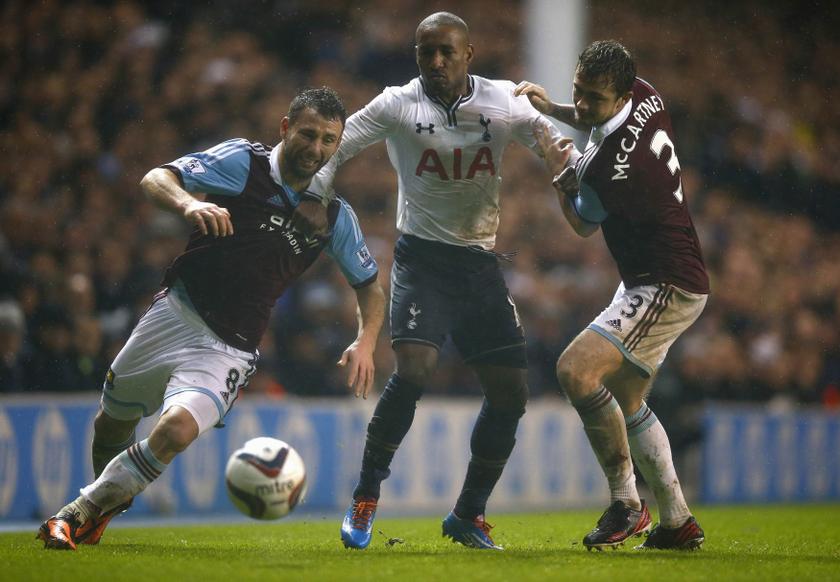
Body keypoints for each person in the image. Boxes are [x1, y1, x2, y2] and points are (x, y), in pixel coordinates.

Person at [37, 87, 386, 550]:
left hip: (230, 348)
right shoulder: (244, 163)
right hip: (175, 313)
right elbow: (156, 178)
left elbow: (370, 287)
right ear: (285, 128)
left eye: (328, 140)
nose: (316, 148)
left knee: (176, 428)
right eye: (308, 134)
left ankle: (75, 513)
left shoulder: (334, 217)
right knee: (112, 425)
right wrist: (189, 203)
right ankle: (102, 508)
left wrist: (365, 340)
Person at [296, 12, 576, 551]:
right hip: (422, 261)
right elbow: (339, 144)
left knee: (511, 393)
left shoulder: (502, 102)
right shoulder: (398, 103)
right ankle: (365, 498)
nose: (437, 62)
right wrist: (315, 193)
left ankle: (467, 514)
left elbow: (552, 145)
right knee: (416, 370)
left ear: (469, 54)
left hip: (478, 264)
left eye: (448, 51)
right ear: (416, 55)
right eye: (427, 52)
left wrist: (567, 165)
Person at [515, 40, 710, 550]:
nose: (581, 105)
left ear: (621, 92)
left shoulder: (606, 170)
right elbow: (601, 126)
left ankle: (626, 504)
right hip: (666, 273)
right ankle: (677, 523)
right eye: (578, 91)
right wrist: (555, 109)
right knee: (625, 396)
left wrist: (560, 175)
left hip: (665, 283)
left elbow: (581, 224)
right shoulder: (648, 94)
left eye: (593, 98)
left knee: (575, 371)